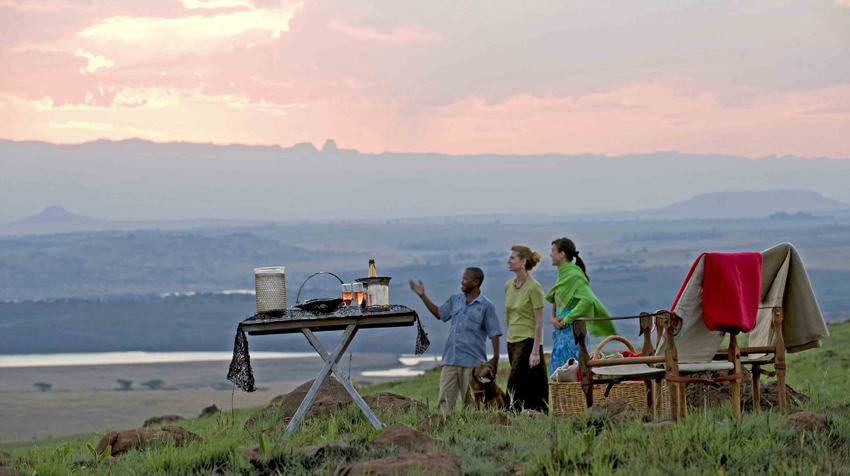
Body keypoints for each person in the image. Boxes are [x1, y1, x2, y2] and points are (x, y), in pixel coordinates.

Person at [410, 268, 502, 412]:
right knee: (444, 404)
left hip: (472, 364)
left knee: (473, 406)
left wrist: (496, 357)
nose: (462, 281)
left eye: (465, 279)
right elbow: (439, 314)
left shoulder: (486, 306)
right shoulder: (455, 300)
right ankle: (442, 431)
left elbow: (495, 332)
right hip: (450, 361)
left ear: (476, 282)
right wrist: (423, 296)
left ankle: (472, 433)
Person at [546, 237, 616, 376]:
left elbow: (587, 300)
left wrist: (567, 319)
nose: (550, 254)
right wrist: (552, 317)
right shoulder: (564, 274)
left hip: (573, 336)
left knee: (572, 376)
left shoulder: (574, 275)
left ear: (562, 254)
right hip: (561, 336)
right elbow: (558, 299)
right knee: (559, 377)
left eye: (553, 250)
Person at [504, 245, 549, 412]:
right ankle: (530, 415)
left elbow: (539, 321)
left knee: (514, 383)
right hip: (512, 341)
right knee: (526, 381)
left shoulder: (534, 287)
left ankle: (509, 415)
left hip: (528, 341)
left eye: (512, 258)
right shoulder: (509, 285)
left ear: (523, 261)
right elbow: (509, 315)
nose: (508, 261)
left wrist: (536, 351)